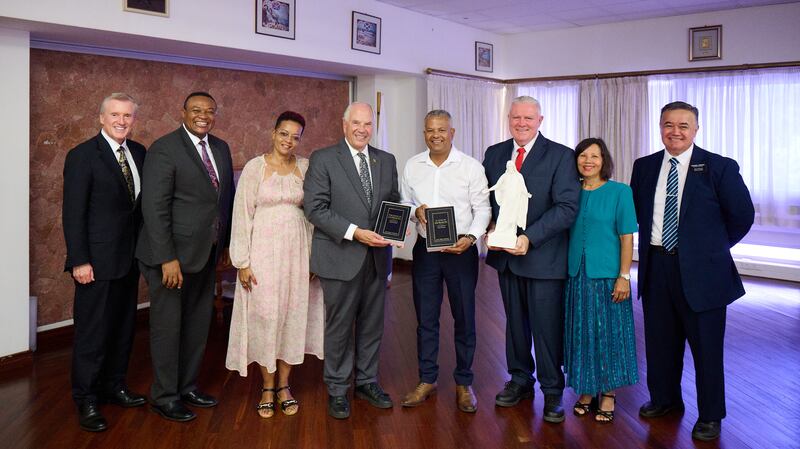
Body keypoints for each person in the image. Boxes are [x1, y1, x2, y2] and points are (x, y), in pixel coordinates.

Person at [630, 101, 754, 441]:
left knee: (706, 348)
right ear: (660, 127)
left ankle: (711, 415)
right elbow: (639, 214)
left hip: (704, 273)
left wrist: (710, 249)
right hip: (657, 267)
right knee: (659, 343)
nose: (675, 132)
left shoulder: (719, 167)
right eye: (669, 125)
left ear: (696, 129)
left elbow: (743, 216)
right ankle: (665, 399)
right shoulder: (644, 166)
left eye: (683, 125)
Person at [136, 91, 235, 422]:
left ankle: (187, 386)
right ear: (183, 112)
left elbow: (224, 202)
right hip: (171, 259)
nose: (203, 115)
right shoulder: (165, 148)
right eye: (196, 110)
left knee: (196, 324)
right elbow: (154, 206)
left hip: (205, 254)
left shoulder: (220, 148)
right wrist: (167, 257)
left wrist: (224, 246)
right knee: (168, 328)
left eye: (209, 110)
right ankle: (164, 395)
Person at [482, 95, 580, 423]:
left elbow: (567, 207)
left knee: (546, 328)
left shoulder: (562, 156)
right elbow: (488, 202)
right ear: (508, 119)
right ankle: (520, 380)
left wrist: (529, 238)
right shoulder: (495, 154)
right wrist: (488, 226)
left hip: (544, 258)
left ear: (540, 120)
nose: (521, 123)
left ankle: (553, 391)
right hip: (506, 258)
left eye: (528, 118)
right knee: (515, 326)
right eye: (515, 118)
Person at [303, 102, 400, 419]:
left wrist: (396, 229)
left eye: (368, 124)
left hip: (377, 258)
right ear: (344, 125)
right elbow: (315, 209)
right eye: (356, 123)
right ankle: (337, 388)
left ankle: (367, 382)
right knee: (340, 328)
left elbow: (393, 204)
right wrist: (355, 232)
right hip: (339, 256)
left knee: (373, 325)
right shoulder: (324, 159)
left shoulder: (385, 160)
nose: (362, 129)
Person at [225, 111, 324, 418]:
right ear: (273, 133)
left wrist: (314, 257)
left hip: (297, 255)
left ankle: (284, 385)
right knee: (267, 317)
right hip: (262, 254)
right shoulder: (256, 168)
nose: (289, 141)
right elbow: (241, 215)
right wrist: (242, 261)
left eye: (296, 137)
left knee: (293, 316)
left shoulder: (306, 168)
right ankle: (267, 385)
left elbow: (314, 216)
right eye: (284, 134)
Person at [62, 93, 147, 432]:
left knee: (123, 329)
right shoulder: (83, 155)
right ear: (101, 118)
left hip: (129, 260)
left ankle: (114, 386)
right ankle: (86, 398)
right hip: (94, 263)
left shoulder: (139, 153)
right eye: (115, 114)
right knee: (92, 334)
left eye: (127, 116)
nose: (121, 121)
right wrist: (79, 260)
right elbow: (73, 213)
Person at [398, 110, 491, 413]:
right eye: (429, 130)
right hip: (426, 251)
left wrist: (472, 238)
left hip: (461, 252)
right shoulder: (413, 165)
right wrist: (416, 211)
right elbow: (404, 202)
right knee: (426, 319)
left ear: (453, 132)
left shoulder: (471, 167)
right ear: (423, 133)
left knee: (464, 318)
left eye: (441, 130)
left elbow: (483, 209)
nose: (435, 135)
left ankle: (464, 382)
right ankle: (427, 379)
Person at [563, 138, 638, 424]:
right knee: (581, 334)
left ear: (604, 160)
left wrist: (624, 276)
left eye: (595, 156)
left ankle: (607, 392)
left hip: (607, 277)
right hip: (576, 275)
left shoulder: (620, 192)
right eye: (583, 155)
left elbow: (627, 236)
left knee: (607, 335)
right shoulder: (570, 192)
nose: (588, 161)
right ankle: (585, 389)